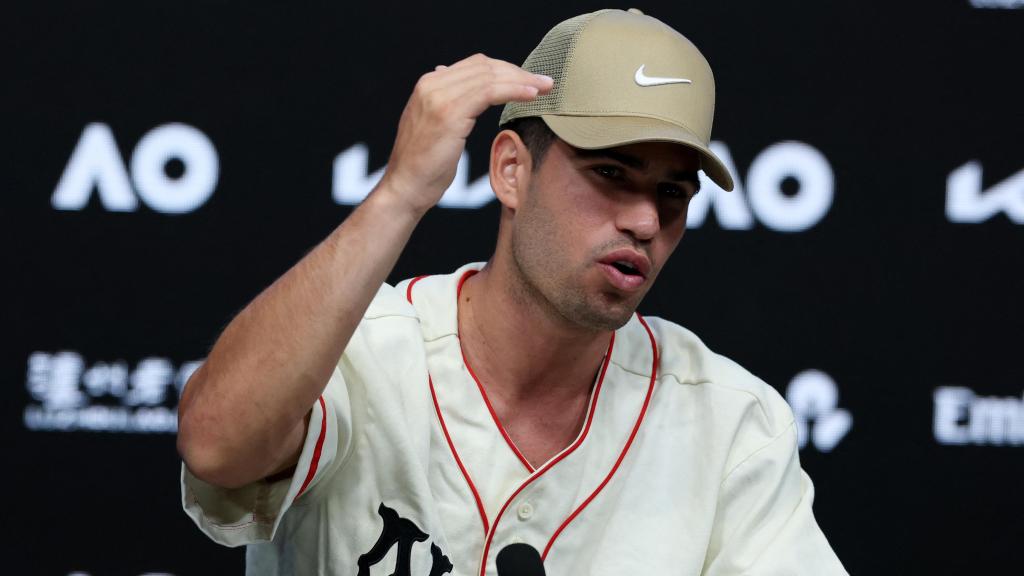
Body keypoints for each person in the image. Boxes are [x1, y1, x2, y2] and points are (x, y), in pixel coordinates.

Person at [177, 8, 847, 576]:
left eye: (672, 192)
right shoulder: (358, 351)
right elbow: (215, 446)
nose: (645, 222)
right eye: (611, 173)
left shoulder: (731, 424)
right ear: (510, 170)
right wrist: (401, 194)